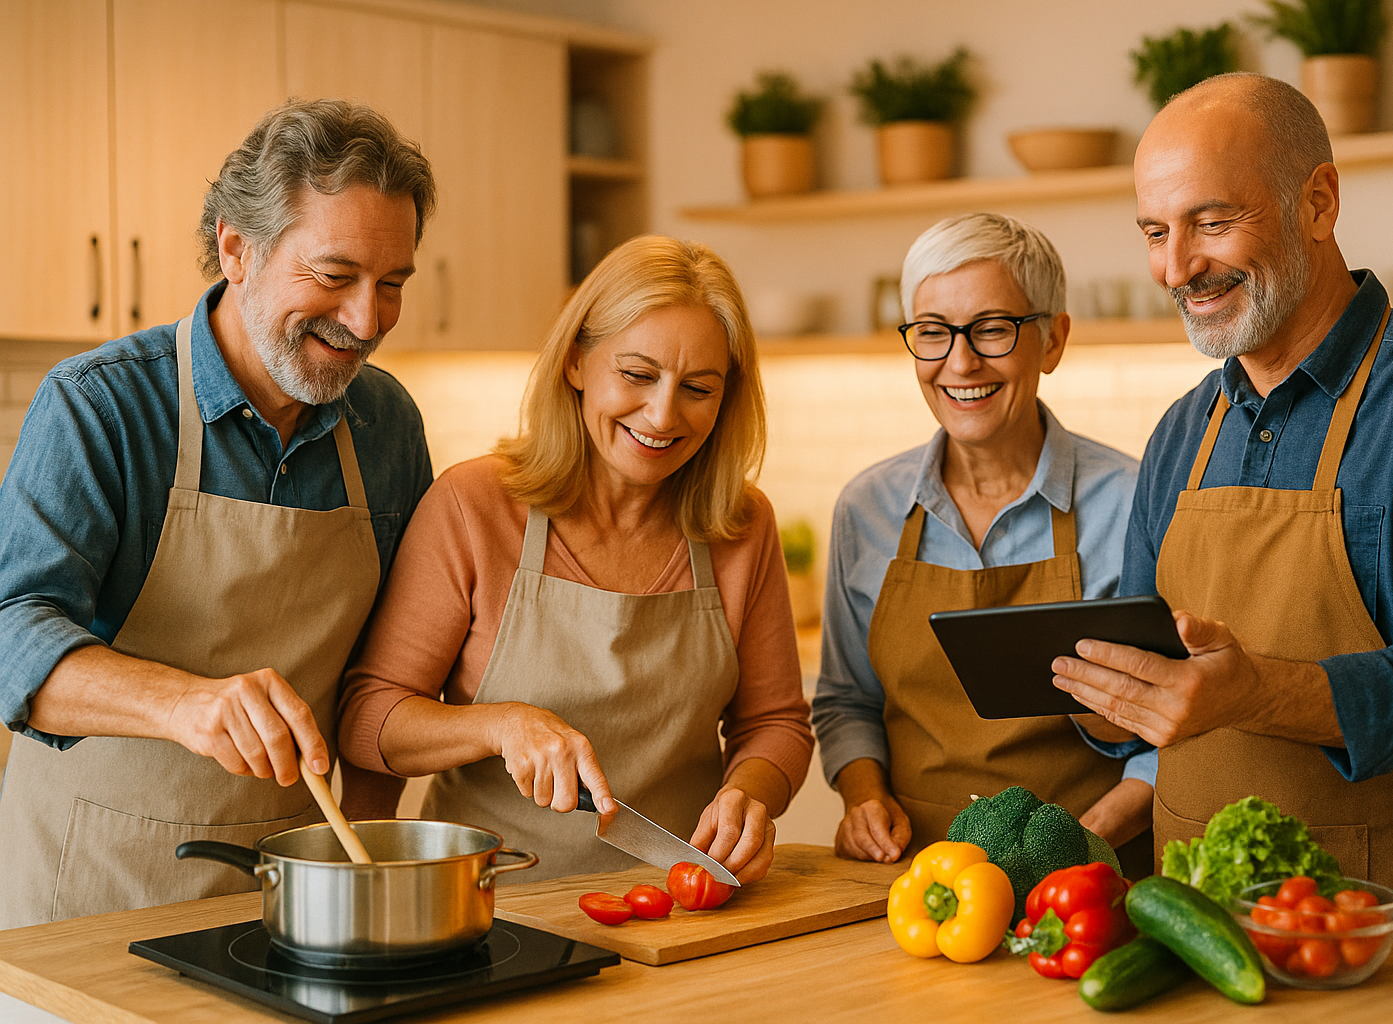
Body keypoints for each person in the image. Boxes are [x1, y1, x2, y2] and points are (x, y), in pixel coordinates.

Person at [1052, 73, 1393, 944]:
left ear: (1318, 202)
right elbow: (1154, 662)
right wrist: (1103, 689)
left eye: (1211, 222)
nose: (1176, 268)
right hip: (1199, 930)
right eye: (1156, 232)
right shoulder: (1182, 430)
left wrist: (1255, 693)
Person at [0, 99, 437, 927]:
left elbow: (385, 680)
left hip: (295, 898)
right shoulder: (101, 407)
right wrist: (184, 704)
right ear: (237, 249)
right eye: (334, 276)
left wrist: (363, 867)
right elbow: (10, 633)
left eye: (392, 286)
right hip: (91, 892)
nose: (366, 320)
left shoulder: (388, 427)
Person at [339, 235, 813, 885]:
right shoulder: (474, 505)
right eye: (637, 375)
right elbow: (369, 718)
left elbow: (775, 724)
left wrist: (750, 793)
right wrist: (501, 726)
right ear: (575, 362)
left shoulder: (742, 524)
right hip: (488, 903)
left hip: (678, 902)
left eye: (698, 388)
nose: (662, 414)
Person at [812, 213, 1154, 867]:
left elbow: (1179, 721)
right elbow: (847, 700)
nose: (960, 362)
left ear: (1053, 340)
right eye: (932, 332)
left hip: (1088, 881)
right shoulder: (867, 508)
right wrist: (864, 798)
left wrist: (1088, 842)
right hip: (917, 877)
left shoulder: (1133, 501)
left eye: (993, 329)